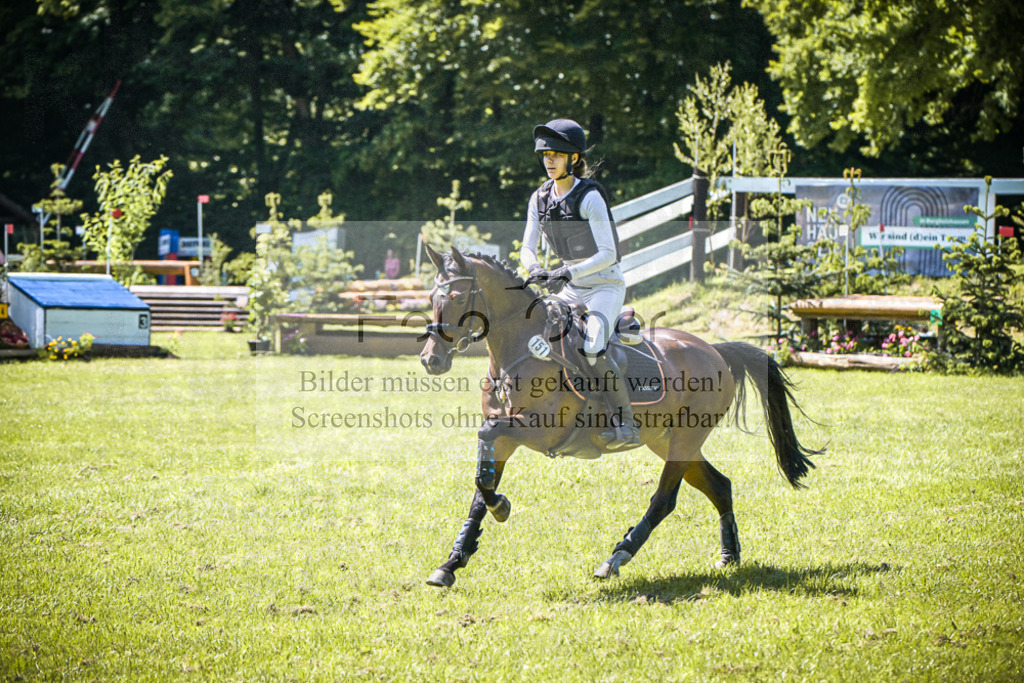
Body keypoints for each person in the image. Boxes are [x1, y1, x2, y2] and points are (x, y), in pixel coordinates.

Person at [520, 118, 640, 449]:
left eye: (556, 154)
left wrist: (566, 273)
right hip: (568, 285)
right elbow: (527, 247)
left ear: (573, 158)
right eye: (545, 155)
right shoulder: (540, 198)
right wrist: (535, 268)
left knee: (590, 347)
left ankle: (626, 424)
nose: (548, 161)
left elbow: (609, 253)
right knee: (538, 335)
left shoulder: (589, 197)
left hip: (604, 284)